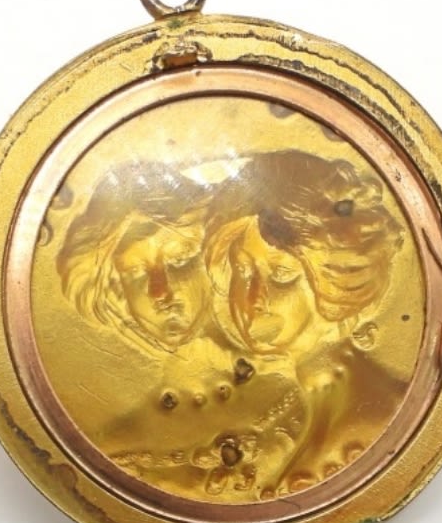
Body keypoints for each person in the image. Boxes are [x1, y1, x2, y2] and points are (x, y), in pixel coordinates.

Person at [56, 162, 304, 498]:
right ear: (116, 292)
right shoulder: (116, 447)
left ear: (213, 262)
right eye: (135, 273)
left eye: (179, 260)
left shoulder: (303, 387)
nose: (161, 292)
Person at [205, 150, 408, 491]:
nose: (254, 298)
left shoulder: (367, 425)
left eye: (281, 275)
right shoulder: (298, 412)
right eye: (243, 270)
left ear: (337, 280)